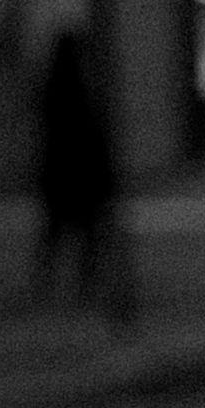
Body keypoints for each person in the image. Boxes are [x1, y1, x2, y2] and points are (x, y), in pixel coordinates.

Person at [30, 19, 133, 327]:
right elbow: (94, 136)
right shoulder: (83, 89)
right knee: (84, 232)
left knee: (59, 231)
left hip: (61, 171)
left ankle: (50, 283)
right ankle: (81, 286)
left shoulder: (52, 89)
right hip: (82, 171)